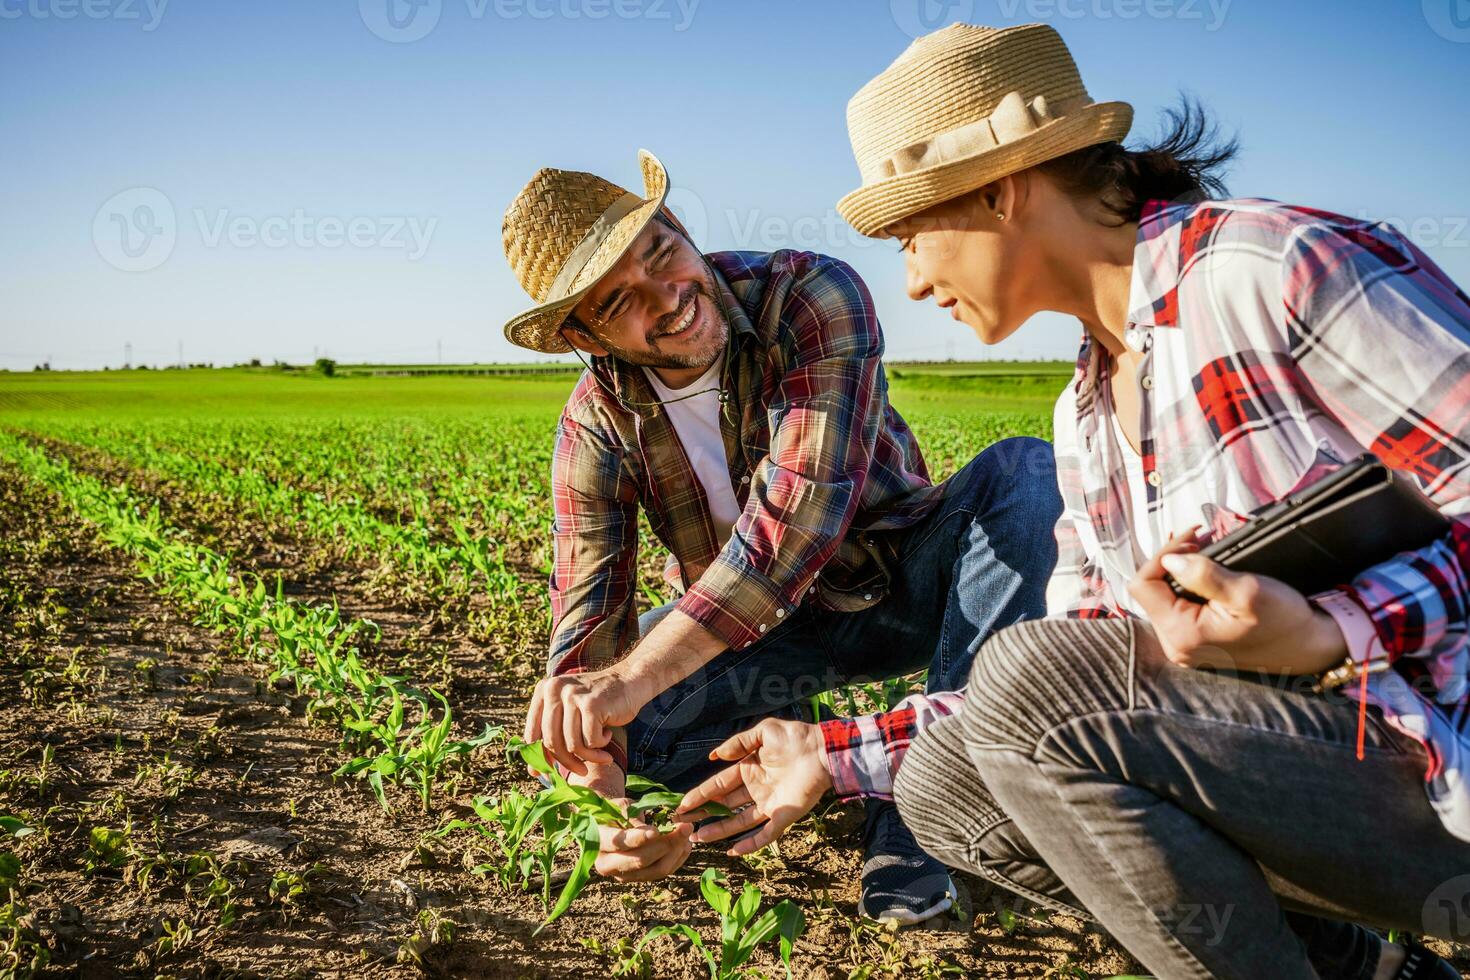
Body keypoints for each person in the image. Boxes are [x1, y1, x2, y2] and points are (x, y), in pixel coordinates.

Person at [678, 23, 1470, 980]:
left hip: (1437, 762)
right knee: (946, 789)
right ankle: (1370, 972)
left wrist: (1333, 628)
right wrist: (832, 757)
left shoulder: (1273, 270)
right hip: (1319, 778)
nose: (916, 279)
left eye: (912, 235)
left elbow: (1047, 685)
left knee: (1026, 682)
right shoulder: (1086, 412)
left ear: (1002, 187)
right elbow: (1073, 676)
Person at [498, 150, 1062, 923]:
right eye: (617, 300)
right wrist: (603, 798)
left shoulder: (807, 295)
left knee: (1025, 476)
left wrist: (630, 683)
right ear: (583, 337)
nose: (667, 298)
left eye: (661, 252)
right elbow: (586, 616)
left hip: (897, 587)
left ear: (681, 227)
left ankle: (917, 807)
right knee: (641, 750)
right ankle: (825, 756)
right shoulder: (595, 427)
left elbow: (793, 526)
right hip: (755, 642)